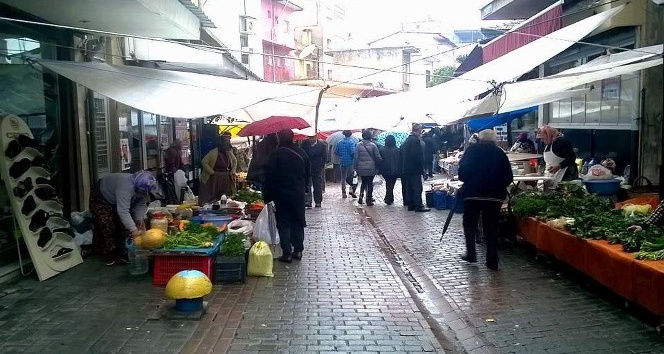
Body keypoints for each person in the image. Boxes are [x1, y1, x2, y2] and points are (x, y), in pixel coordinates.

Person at [458, 129, 513, 270]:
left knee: (470, 224)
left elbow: (462, 174)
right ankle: (492, 260)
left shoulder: (471, 151)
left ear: (479, 139)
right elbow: (509, 178)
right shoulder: (500, 153)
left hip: (472, 194)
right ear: (494, 139)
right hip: (494, 196)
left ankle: (471, 254)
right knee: (491, 227)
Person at [263, 129, 310, 263]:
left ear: (279, 139)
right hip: (298, 194)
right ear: (292, 138)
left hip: (281, 195)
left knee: (284, 223)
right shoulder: (301, 153)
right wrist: (303, 188)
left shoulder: (275, 154)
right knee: (298, 221)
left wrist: (267, 196)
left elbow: (269, 177)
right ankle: (298, 251)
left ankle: (287, 253)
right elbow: (307, 174)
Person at [89, 171, 156, 266]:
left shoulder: (143, 189)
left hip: (117, 197)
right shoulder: (125, 188)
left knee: (127, 224)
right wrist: (133, 229)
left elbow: (140, 203)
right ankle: (110, 254)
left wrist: (139, 219)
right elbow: (123, 211)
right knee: (107, 224)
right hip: (101, 195)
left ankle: (124, 252)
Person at [198, 138, 237, 206]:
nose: (226, 151)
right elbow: (204, 162)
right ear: (221, 147)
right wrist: (211, 172)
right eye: (225, 149)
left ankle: (223, 206)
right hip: (214, 176)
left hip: (225, 176)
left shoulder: (228, 152)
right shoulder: (213, 152)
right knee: (211, 194)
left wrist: (232, 170)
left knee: (224, 194)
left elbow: (234, 161)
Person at [401, 123, 430, 212]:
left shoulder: (408, 139)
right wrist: (422, 166)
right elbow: (416, 155)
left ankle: (411, 205)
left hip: (407, 168)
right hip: (414, 168)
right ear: (418, 130)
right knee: (417, 187)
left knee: (409, 187)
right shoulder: (415, 140)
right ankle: (418, 205)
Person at [354, 130, 382, 206]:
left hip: (361, 168)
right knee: (370, 183)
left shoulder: (358, 145)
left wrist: (355, 168)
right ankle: (369, 200)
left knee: (363, 183)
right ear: (370, 136)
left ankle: (360, 197)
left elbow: (356, 157)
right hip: (371, 168)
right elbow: (378, 157)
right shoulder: (373, 145)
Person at [301, 134, 328, 208]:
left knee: (317, 185)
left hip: (317, 168)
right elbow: (302, 154)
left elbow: (325, 157)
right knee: (307, 185)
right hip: (306, 167)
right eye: (310, 137)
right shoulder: (304, 143)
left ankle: (318, 201)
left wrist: (321, 166)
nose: (311, 139)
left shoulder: (322, 145)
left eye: (313, 137)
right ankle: (308, 201)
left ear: (316, 137)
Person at [379, 134, 401, 205]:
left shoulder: (382, 149)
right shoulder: (397, 150)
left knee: (388, 183)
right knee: (391, 184)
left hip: (385, 170)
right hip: (395, 169)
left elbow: (380, 160)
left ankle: (389, 198)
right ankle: (389, 198)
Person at [335, 130, 357, 199]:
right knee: (351, 177)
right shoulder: (351, 142)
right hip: (350, 162)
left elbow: (336, 152)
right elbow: (353, 152)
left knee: (343, 177)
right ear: (350, 135)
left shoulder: (340, 142)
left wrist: (342, 155)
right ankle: (351, 190)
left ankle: (343, 192)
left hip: (342, 162)